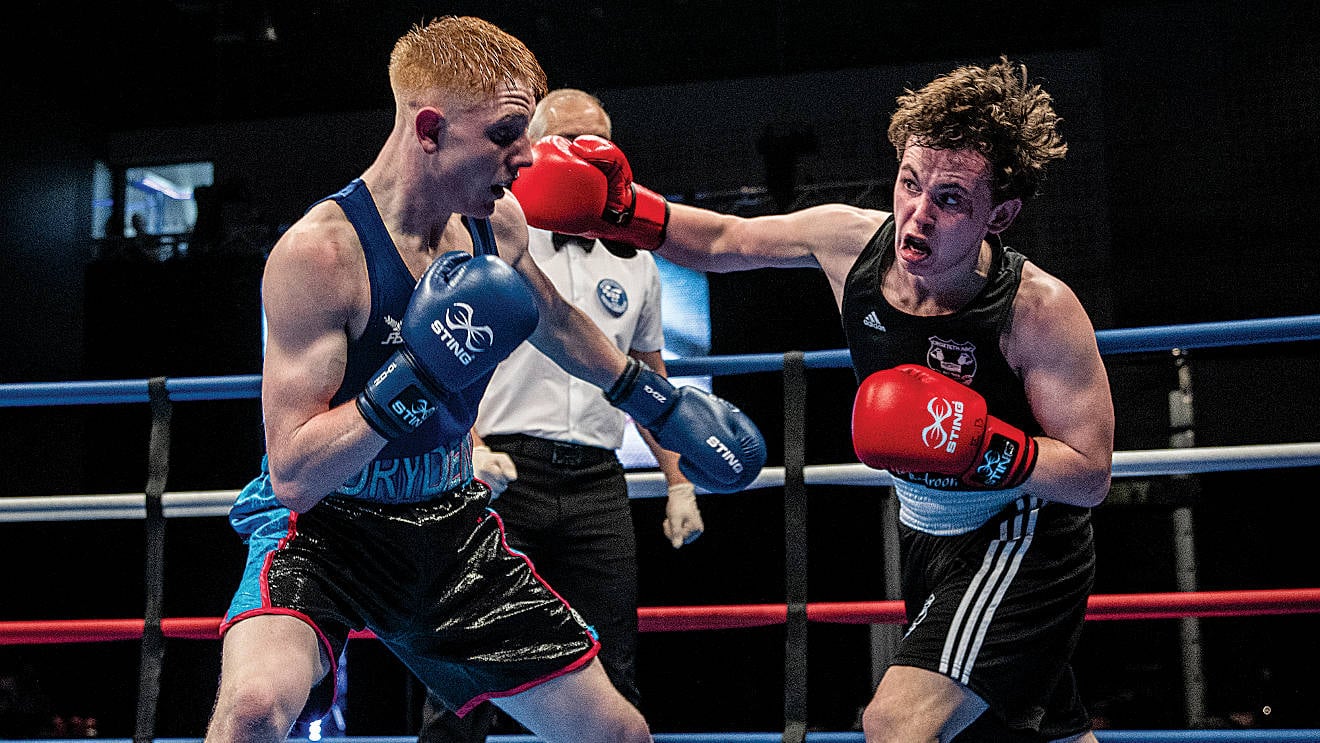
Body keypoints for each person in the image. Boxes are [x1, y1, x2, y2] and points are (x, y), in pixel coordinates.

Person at [512, 57, 1115, 743]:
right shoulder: (851, 243)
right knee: (1041, 732)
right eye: (910, 184)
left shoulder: (1038, 309)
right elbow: (720, 240)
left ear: (999, 214)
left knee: (896, 720)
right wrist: (626, 211)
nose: (917, 215)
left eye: (950, 200)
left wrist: (984, 446)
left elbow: (1091, 474)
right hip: (927, 532)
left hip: (1021, 538)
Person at [204, 17, 765, 743]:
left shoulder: (496, 227)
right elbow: (293, 474)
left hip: (448, 525)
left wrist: (650, 398)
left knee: (619, 733)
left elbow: (553, 320)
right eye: (506, 134)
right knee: (254, 705)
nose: (527, 157)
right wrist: (414, 376)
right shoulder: (319, 255)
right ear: (430, 128)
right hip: (324, 529)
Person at [416, 88, 705, 742]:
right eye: (568, 140)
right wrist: (472, 444)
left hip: (597, 484)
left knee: (614, 663)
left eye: (596, 141)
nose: (585, 156)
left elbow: (647, 378)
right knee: (467, 664)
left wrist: (678, 479)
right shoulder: (493, 229)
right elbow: (441, 349)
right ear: (534, 148)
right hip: (500, 472)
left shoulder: (638, 262)